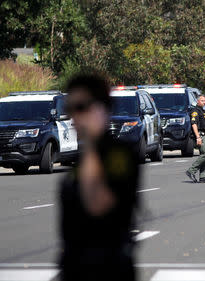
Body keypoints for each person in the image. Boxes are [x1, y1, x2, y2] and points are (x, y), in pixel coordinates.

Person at [58, 72, 139, 281]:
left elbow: (98, 205)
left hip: (108, 269)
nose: (74, 117)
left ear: (101, 108)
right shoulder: (82, 159)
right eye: (70, 109)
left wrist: (92, 143)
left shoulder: (120, 155)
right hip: (74, 267)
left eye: (81, 108)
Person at [185, 94, 205, 183]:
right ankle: (191, 170)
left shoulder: (203, 111)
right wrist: (198, 137)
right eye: (202, 101)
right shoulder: (195, 111)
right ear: (197, 101)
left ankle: (203, 176)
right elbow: (194, 124)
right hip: (200, 136)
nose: (204, 102)